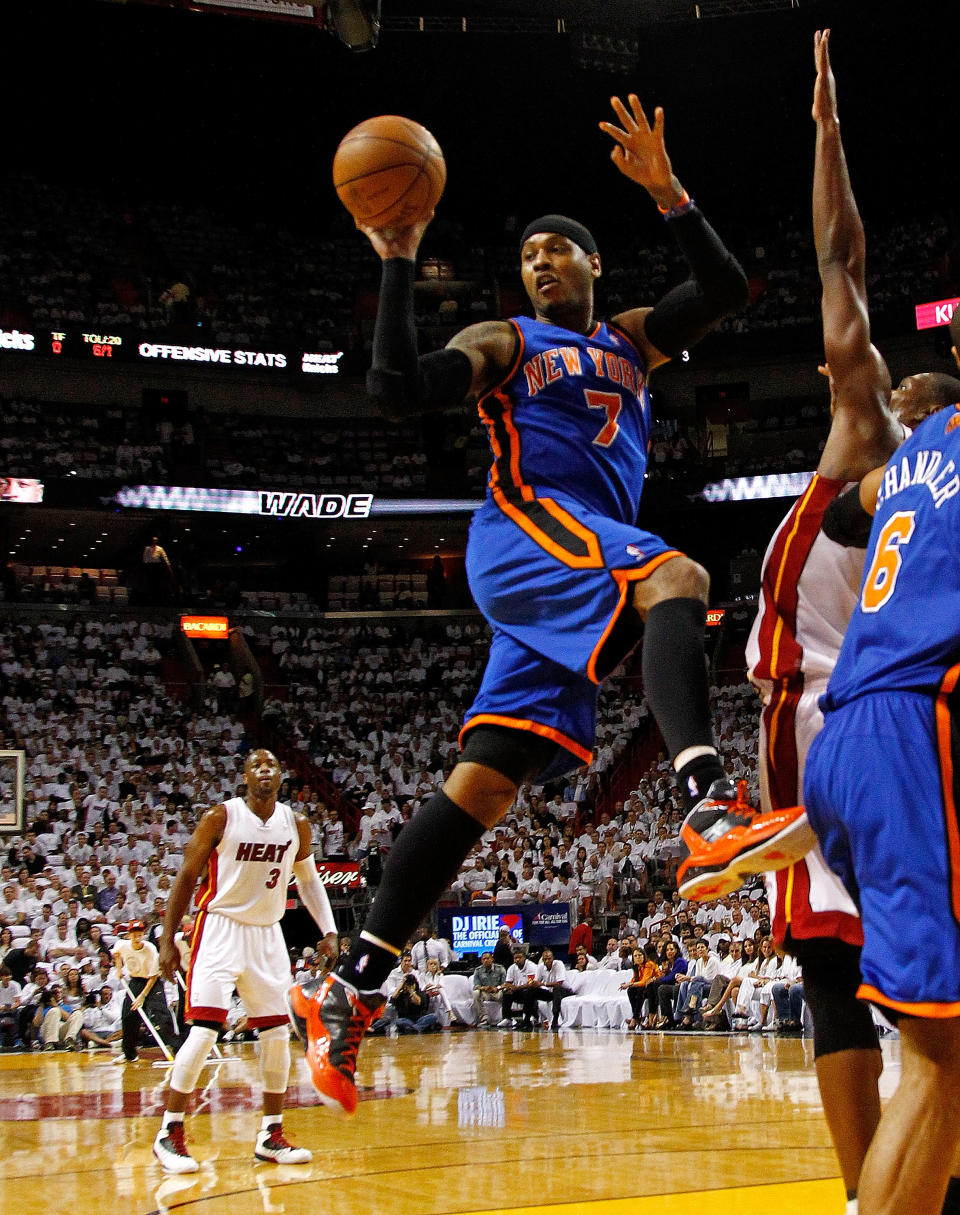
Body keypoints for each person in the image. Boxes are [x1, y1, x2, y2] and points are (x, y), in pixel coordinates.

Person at [289, 87, 806, 1116]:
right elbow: (396, 390)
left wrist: (669, 193)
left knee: (483, 789)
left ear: (592, 263)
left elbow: (729, 286)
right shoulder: (508, 343)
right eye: (527, 255)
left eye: (556, 250)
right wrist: (395, 254)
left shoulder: (630, 339)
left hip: (567, 570)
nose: (539, 264)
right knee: (680, 577)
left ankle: (352, 991)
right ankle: (707, 806)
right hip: (528, 534)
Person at [739, 32, 960, 1215]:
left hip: (858, 735)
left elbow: (844, 273)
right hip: (885, 726)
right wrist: (827, 136)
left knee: (903, 1016)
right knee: (918, 1039)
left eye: (923, 390)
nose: (901, 393)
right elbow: (842, 265)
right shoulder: (879, 449)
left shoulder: (891, 466)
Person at [800, 298, 960, 1211]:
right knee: (940, 1055)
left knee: (943, 1047)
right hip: (912, 730)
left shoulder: (913, 460)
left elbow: (846, 519)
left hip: (849, 740)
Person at [153, 749, 337, 1172]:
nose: (265, 771)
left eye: (271, 765)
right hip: (219, 928)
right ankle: (169, 1133)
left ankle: (272, 1135)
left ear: (282, 775)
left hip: (267, 935)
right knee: (204, 1032)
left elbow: (309, 880)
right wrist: (167, 939)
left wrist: (328, 930)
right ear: (245, 776)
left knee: (276, 1037)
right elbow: (185, 876)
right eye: (256, 765)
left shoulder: (297, 824)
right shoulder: (221, 817)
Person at [113, 921, 178, 1063]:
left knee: (160, 1016)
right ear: (129, 935)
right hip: (135, 981)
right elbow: (117, 953)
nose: (137, 938)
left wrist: (142, 996)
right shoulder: (122, 945)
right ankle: (129, 1054)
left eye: (140, 935)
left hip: (153, 983)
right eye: (134, 935)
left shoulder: (150, 949)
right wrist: (119, 969)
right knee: (128, 1016)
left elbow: (154, 975)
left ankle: (178, 1050)